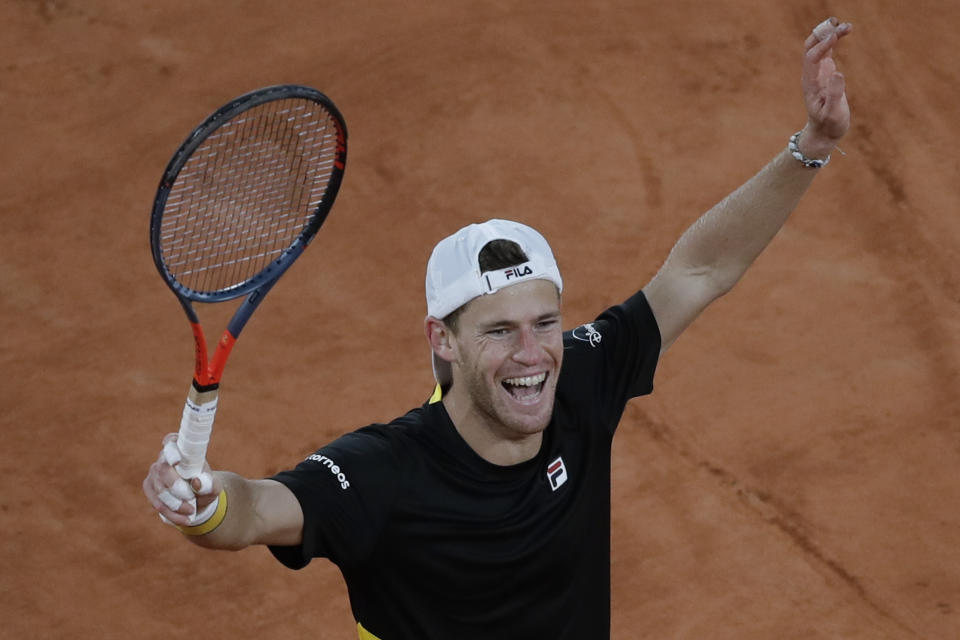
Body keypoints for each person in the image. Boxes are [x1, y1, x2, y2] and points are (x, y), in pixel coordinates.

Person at [144, 17, 853, 639]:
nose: (531, 354)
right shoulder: (385, 474)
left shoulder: (577, 377)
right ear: (441, 340)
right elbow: (259, 511)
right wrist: (205, 502)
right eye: (497, 331)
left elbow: (698, 271)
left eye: (545, 322)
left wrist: (812, 145)